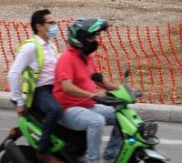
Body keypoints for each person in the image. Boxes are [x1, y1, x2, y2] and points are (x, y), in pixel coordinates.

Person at [52, 18, 122, 163]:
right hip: (68, 109)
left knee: (120, 115)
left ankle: (111, 154)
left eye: (95, 36)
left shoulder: (87, 58)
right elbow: (67, 87)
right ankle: (92, 160)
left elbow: (99, 80)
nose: (95, 40)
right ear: (79, 39)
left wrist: (122, 90)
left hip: (87, 105)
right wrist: (93, 95)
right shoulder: (67, 58)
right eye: (91, 37)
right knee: (97, 121)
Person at [7, 9, 62, 163]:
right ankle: (43, 150)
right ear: (39, 26)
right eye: (50, 23)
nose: (55, 25)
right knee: (55, 110)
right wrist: (18, 101)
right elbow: (13, 74)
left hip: (54, 89)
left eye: (54, 22)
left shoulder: (51, 46)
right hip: (39, 91)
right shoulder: (31, 47)